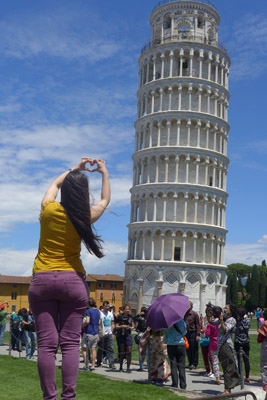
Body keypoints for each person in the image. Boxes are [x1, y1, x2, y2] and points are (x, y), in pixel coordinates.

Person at [28, 157, 110, 400]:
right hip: (72, 281)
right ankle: (68, 397)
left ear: (66, 191)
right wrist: (103, 173)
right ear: (83, 194)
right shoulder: (84, 215)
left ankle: (49, 398)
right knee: (70, 344)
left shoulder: (49, 210)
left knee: (46, 345)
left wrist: (74, 169)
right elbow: (105, 200)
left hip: (42, 280)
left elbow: (53, 186)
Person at [218, 303, 240, 395]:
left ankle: (227, 389)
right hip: (220, 345)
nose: (224, 309)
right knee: (225, 367)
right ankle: (227, 389)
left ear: (231, 311)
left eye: (226, 308)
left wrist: (222, 321)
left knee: (229, 367)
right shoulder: (225, 319)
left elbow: (225, 330)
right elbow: (211, 322)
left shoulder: (232, 320)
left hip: (226, 345)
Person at [163, 319, 187, 389]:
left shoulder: (166, 323)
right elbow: (184, 331)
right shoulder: (180, 321)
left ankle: (175, 384)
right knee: (181, 366)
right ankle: (183, 384)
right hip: (180, 344)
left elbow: (165, 334)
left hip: (170, 344)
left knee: (173, 365)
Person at [96, 300, 116, 369]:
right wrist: (98, 333)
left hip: (109, 333)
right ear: (103, 306)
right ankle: (99, 361)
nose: (107, 307)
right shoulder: (100, 313)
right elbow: (97, 324)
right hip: (102, 333)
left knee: (111, 348)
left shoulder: (110, 314)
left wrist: (112, 332)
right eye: (106, 306)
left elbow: (112, 323)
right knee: (101, 348)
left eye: (108, 306)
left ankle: (111, 363)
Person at [204, 306, 221, 385]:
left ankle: (217, 377)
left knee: (215, 361)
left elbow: (207, 333)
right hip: (222, 342)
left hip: (213, 343)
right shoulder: (222, 322)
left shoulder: (211, 323)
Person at [116, 303, 135, 373]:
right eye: (126, 309)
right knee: (122, 352)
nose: (127, 310)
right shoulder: (119, 317)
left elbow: (133, 326)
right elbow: (116, 326)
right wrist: (122, 326)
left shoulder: (131, 317)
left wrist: (130, 327)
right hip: (121, 335)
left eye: (128, 309)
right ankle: (120, 367)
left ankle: (128, 368)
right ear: (123, 310)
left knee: (129, 351)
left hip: (128, 335)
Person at [83, 297, 101, 371]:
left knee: (84, 349)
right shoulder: (98, 311)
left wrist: (82, 326)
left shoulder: (88, 311)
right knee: (93, 349)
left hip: (88, 332)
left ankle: (86, 364)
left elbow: (87, 321)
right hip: (95, 332)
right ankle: (93, 365)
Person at [234, 306, 250, 384]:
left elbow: (234, 330)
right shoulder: (247, 321)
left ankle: (240, 376)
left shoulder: (237, 322)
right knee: (246, 359)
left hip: (238, 341)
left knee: (239, 359)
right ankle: (247, 376)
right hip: (246, 341)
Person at [184, 301, 200, 369]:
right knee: (187, 348)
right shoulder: (184, 314)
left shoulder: (194, 314)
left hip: (193, 332)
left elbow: (198, 325)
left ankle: (194, 363)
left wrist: (197, 335)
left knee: (194, 349)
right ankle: (190, 362)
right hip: (186, 332)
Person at [134, 306, 148, 371]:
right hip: (147, 335)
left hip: (141, 334)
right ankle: (148, 365)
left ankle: (141, 366)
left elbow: (134, 318)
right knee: (147, 351)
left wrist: (139, 314)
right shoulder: (148, 318)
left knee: (141, 351)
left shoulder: (140, 318)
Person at [257, 309, 267, 393]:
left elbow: (259, 339)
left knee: (264, 365)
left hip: (266, 344)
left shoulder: (264, 325)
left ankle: (265, 384)